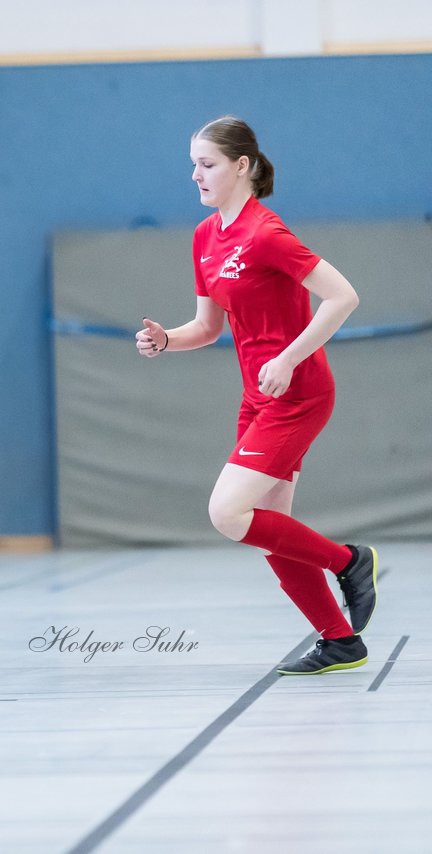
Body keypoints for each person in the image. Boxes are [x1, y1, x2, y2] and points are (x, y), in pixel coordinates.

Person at [136, 116, 378, 676]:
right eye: (193, 164)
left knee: (227, 512)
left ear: (241, 166)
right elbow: (208, 328)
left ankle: (349, 561)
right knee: (274, 532)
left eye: (207, 164)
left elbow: (343, 297)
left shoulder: (266, 232)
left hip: (299, 393)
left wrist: (289, 358)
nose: (195, 174)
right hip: (257, 397)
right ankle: (341, 641)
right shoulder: (204, 237)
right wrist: (166, 340)